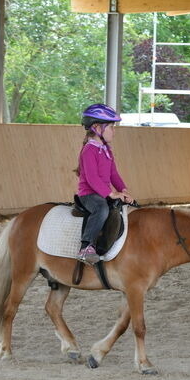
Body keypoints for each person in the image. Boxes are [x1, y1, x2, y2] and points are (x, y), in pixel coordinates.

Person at [75, 103, 134, 264]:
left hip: (102, 192)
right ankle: (86, 246)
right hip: (88, 194)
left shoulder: (106, 149)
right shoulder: (89, 150)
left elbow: (113, 173)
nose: (114, 131)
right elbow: (92, 178)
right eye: (111, 127)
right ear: (96, 128)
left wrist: (123, 190)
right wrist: (111, 193)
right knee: (101, 209)